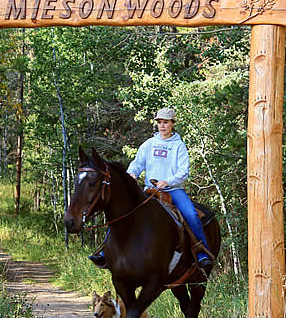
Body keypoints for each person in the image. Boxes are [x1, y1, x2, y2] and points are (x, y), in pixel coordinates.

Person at [89, 107, 213, 271]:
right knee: (123, 211)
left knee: (190, 214)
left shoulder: (179, 146)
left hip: (173, 190)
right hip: (149, 190)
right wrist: (132, 174)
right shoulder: (149, 144)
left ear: (173, 124)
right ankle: (106, 251)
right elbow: (137, 163)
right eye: (160, 122)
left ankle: (201, 252)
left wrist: (167, 182)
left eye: (166, 122)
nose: (162, 126)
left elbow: (184, 172)